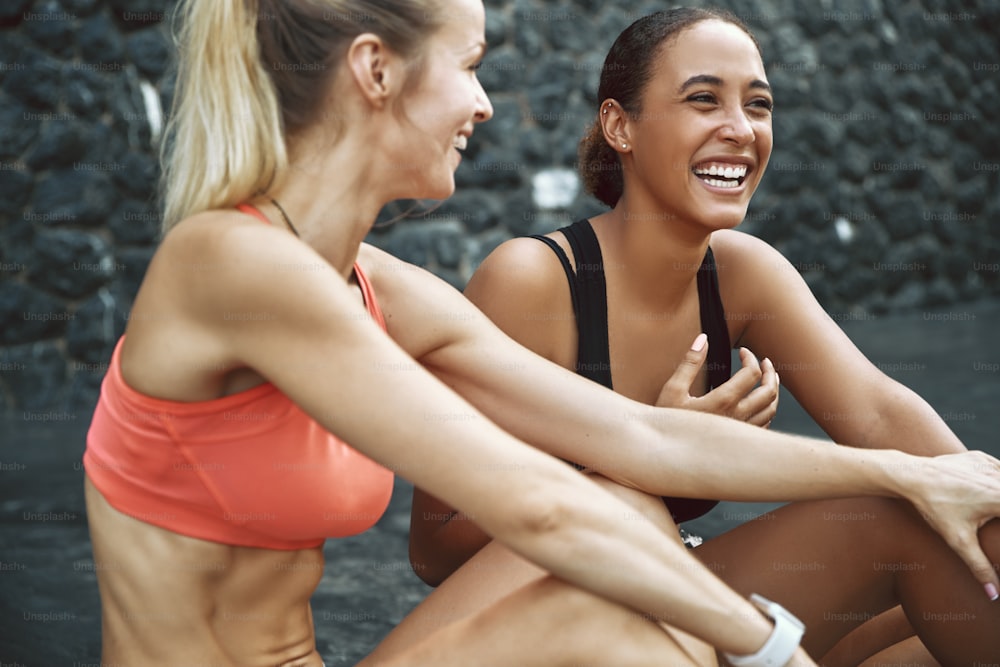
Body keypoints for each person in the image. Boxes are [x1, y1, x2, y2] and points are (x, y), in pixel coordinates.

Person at [398, 7, 1000, 667]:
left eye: (759, 105)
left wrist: (975, 494)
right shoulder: (535, 281)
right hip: (539, 622)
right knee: (900, 514)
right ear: (620, 126)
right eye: (703, 100)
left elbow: (880, 411)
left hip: (666, 582)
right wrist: (640, 454)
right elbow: (436, 550)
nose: (740, 129)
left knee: (946, 557)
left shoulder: (743, 273)